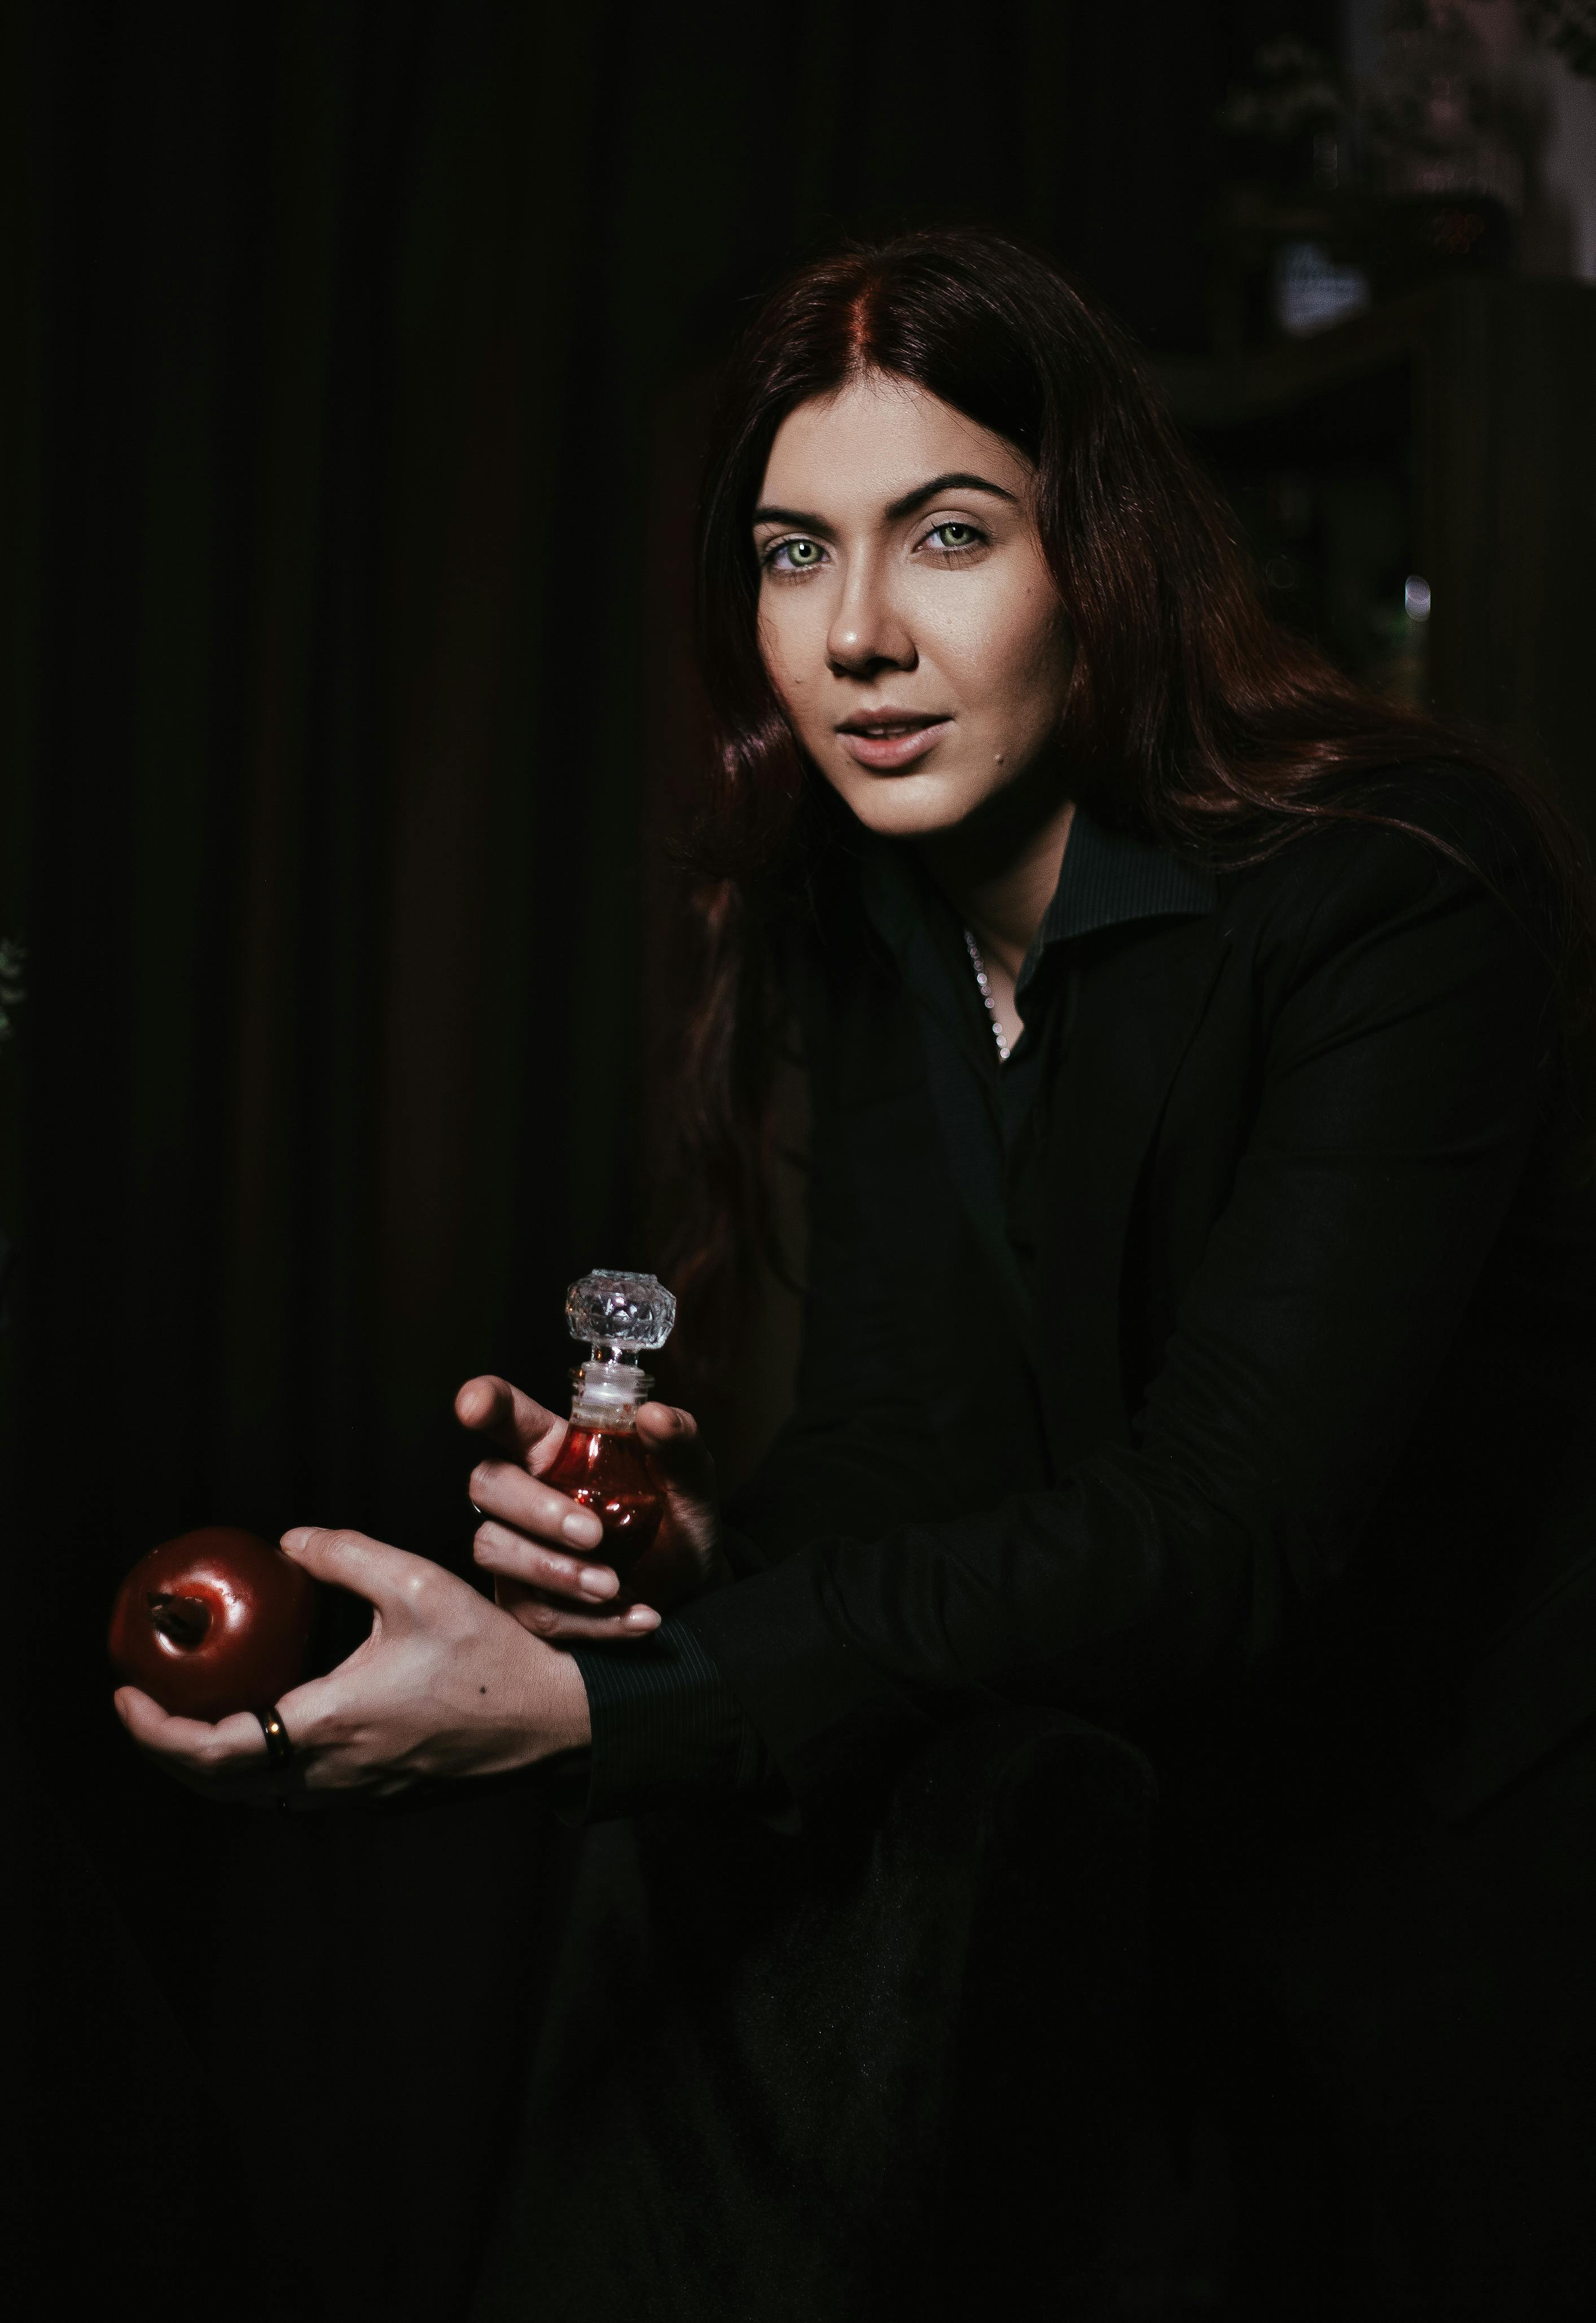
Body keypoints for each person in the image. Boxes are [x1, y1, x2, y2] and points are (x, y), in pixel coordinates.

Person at [121, 231, 1596, 2317]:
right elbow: (925, 1443)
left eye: (949, 534)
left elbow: (1227, 1526)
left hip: (1473, 1904)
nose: (863, 636)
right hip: (1156, 1870)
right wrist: (685, 1550)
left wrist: (593, 1714)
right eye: (793, 553)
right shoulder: (874, 910)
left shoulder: (1397, 894)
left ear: (1103, 552)